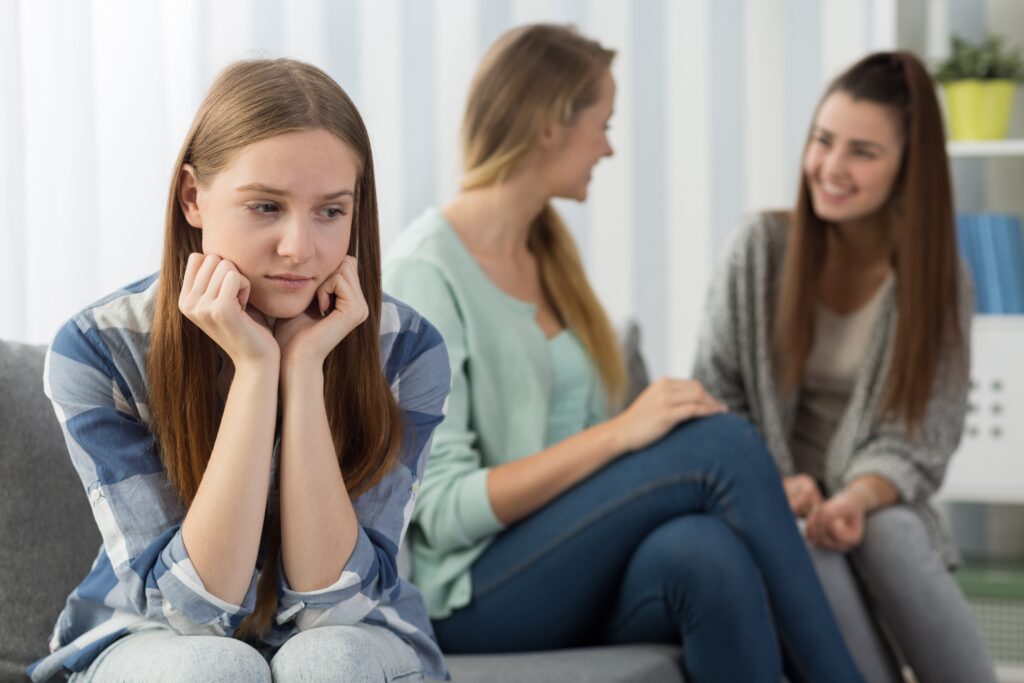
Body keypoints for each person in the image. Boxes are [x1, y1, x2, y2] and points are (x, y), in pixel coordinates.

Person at [384, 24, 863, 683]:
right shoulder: (425, 270)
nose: (608, 147)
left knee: (706, 554)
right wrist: (621, 435)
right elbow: (440, 512)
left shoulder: (546, 252)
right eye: (602, 123)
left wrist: (757, 502)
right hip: (470, 590)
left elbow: (590, 473)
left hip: (562, 557)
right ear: (551, 124)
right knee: (720, 443)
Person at [31, 59, 450, 683]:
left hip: (357, 635)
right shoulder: (97, 349)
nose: (298, 248)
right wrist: (256, 369)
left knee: (329, 660)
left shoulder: (408, 349)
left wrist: (304, 369)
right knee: (211, 667)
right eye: (264, 206)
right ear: (193, 197)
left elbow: (335, 606)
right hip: (150, 636)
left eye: (331, 212)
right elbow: (191, 610)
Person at [693, 51, 997, 683]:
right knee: (809, 544)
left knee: (888, 534)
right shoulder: (758, 250)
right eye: (823, 141)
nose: (831, 168)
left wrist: (855, 498)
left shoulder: (941, 282)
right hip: (767, 498)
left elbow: (924, 439)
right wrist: (776, 485)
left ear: (909, 168)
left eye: (863, 152)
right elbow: (714, 401)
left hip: (875, 498)